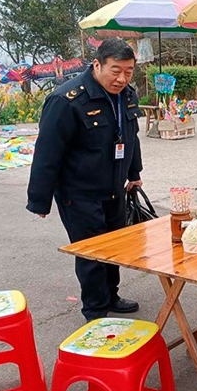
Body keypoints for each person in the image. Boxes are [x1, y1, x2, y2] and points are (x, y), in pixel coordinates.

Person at [27, 38, 145, 320]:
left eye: (128, 72)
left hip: (114, 186)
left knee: (114, 246)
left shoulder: (127, 95)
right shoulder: (66, 100)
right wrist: (39, 200)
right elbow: (47, 153)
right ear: (97, 65)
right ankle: (95, 309)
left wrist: (134, 173)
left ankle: (111, 296)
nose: (121, 78)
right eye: (115, 70)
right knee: (92, 251)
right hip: (78, 192)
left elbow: (131, 136)